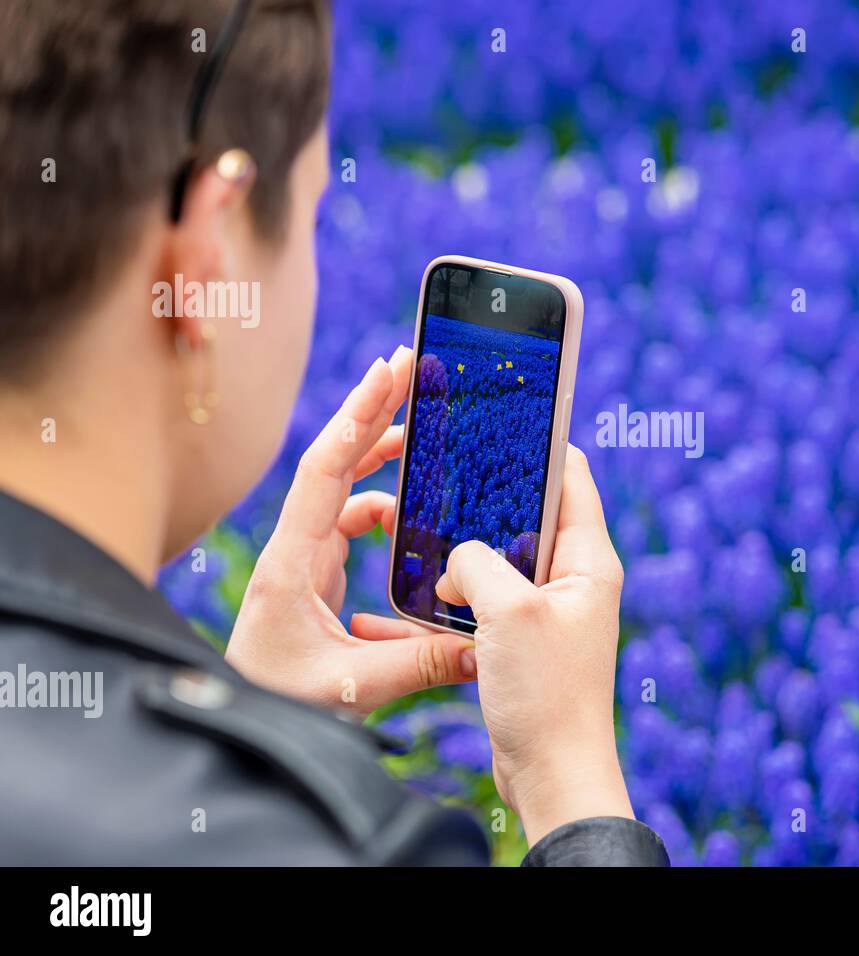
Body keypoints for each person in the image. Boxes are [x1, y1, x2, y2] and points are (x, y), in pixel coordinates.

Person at [0, 0, 668, 866]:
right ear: (205, 265)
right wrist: (573, 787)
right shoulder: (346, 850)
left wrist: (254, 731)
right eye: (314, 217)